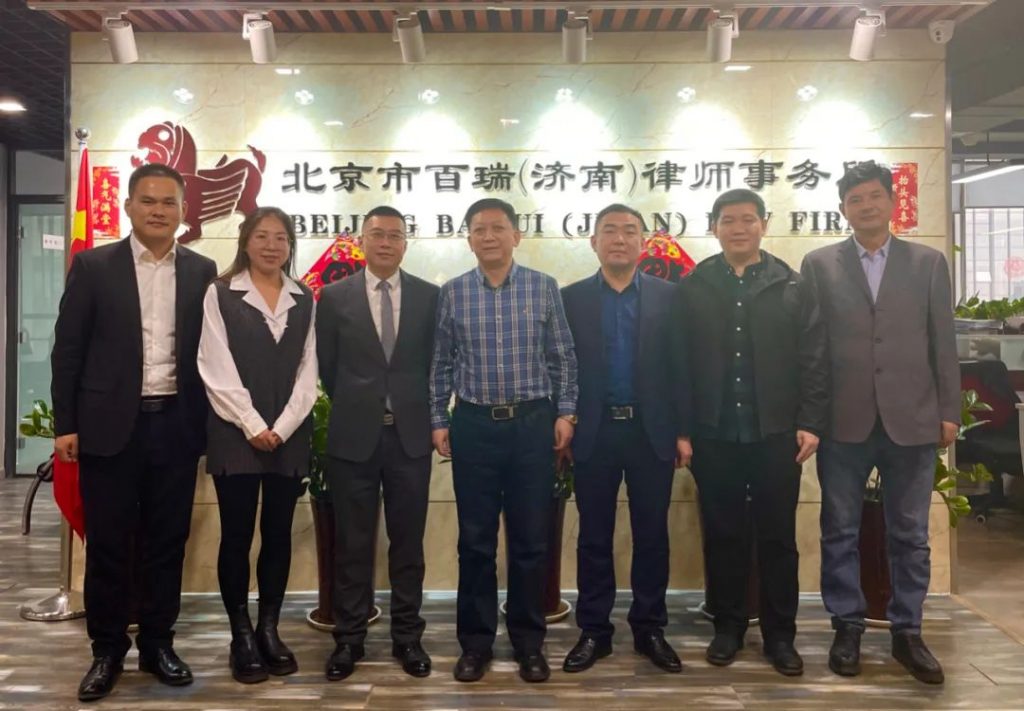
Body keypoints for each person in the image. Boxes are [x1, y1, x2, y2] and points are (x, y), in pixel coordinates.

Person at [51, 163, 217, 702]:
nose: (158, 211)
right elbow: (68, 348)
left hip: (176, 424)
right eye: (148, 200)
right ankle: (106, 650)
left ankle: (158, 643)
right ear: (128, 206)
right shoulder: (94, 266)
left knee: (167, 542)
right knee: (108, 544)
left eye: (169, 202)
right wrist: (65, 424)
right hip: (107, 427)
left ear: (183, 211)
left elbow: (210, 352)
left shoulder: (201, 270)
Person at [801, 161, 959, 685]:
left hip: (912, 418)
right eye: (855, 200)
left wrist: (949, 410)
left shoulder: (928, 263)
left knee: (910, 533)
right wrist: (811, 416)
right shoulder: (819, 265)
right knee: (839, 530)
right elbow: (812, 347)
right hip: (843, 422)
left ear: (892, 203)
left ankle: (907, 631)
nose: (866, 206)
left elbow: (943, 340)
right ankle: (846, 627)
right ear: (843, 209)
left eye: (874, 197)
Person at [676, 188, 828, 677]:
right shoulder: (694, 286)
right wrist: (683, 429)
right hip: (714, 434)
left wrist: (810, 421)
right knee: (723, 534)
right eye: (728, 220)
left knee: (778, 537)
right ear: (714, 227)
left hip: (776, 434)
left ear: (764, 223)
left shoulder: (792, 284)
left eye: (747, 219)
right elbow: (680, 364)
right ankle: (729, 627)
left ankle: (781, 636)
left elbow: (813, 358)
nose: (738, 228)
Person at [430, 198, 578, 684]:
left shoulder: (543, 287)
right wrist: (439, 418)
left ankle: (529, 642)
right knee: (475, 542)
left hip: (532, 425)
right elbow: (442, 363)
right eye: (479, 229)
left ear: (517, 235)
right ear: (468, 239)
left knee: (531, 540)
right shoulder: (453, 292)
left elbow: (562, 357)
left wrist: (566, 413)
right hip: (474, 425)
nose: (489, 236)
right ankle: (475, 645)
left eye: (498, 228)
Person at [560, 203, 691, 675]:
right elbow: (560, 365)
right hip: (593, 432)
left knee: (652, 534)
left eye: (629, 231)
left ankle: (649, 627)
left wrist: (683, 431)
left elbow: (682, 367)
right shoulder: (570, 298)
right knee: (593, 537)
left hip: (650, 431)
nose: (619, 238)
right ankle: (594, 630)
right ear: (593, 241)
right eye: (610, 230)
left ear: (643, 242)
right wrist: (564, 422)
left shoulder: (670, 297)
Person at [316, 206, 440, 681]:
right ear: (361, 240)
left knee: (408, 544)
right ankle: (349, 639)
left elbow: (434, 363)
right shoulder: (334, 297)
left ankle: (408, 637)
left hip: (410, 438)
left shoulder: (429, 296)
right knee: (353, 543)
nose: (386, 242)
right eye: (377, 234)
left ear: (405, 243)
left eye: (395, 235)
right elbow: (328, 367)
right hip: (354, 437)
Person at [197, 207, 316, 684]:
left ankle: (269, 628)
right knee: (237, 535)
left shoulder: (304, 297)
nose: (271, 245)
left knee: (278, 533)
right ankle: (240, 635)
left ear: (290, 245)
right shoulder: (221, 292)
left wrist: (282, 428)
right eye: (262, 236)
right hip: (234, 433)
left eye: (281, 238)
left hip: (288, 434)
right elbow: (213, 364)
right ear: (245, 241)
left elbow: (309, 369)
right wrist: (251, 423)